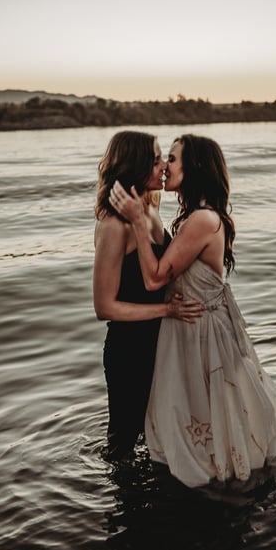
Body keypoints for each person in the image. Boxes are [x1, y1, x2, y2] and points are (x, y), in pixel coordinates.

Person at [111, 134, 276, 487]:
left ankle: (214, 477)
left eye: (173, 159)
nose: (165, 167)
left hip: (201, 330)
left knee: (206, 408)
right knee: (202, 408)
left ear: (193, 168)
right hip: (193, 323)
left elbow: (154, 279)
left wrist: (135, 220)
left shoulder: (202, 220)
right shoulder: (193, 216)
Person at [93, 131, 203, 461]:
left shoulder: (148, 211)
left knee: (158, 437)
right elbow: (104, 307)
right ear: (136, 165)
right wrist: (166, 311)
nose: (163, 168)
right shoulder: (115, 226)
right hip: (129, 350)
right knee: (123, 446)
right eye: (155, 161)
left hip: (160, 342)